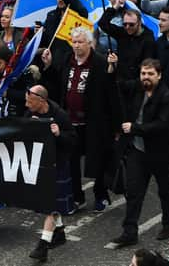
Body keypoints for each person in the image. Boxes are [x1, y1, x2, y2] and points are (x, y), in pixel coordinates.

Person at [41, 27, 118, 213]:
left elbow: (111, 92)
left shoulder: (100, 62)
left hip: (93, 122)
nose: (76, 46)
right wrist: (49, 65)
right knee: (71, 162)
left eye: (80, 42)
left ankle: (101, 195)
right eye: (74, 42)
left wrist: (112, 68)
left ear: (90, 43)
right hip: (70, 122)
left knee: (97, 160)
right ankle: (77, 197)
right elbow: (56, 83)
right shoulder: (67, 60)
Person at [110, 59, 169, 248]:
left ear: (159, 75)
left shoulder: (167, 97)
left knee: (166, 191)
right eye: (143, 73)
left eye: (150, 74)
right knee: (134, 192)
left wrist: (135, 128)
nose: (145, 77)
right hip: (137, 152)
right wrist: (113, 66)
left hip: (160, 153)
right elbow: (119, 85)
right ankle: (129, 232)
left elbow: (162, 125)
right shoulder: (138, 87)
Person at [24, 85, 77, 262]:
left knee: (51, 205)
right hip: (40, 164)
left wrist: (59, 134)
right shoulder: (29, 114)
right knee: (50, 203)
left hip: (57, 165)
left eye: (29, 101)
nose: (26, 104)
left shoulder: (60, 115)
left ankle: (43, 245)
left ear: (41, 100)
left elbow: (73, 139)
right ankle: (59, 232)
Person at [98, 7, 156, 91]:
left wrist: (131, 85)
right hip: (120, 81)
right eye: (125, 24)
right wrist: (114, 8)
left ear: (139, 23)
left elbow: (147, 66)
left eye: (131, 24)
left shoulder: (148, 40)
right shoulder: (123, 33)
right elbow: (103, 24)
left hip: (136, 86)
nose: (127, 27)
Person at [156, 7, 169, 95]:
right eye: (159, 19)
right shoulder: (158, 42)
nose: (159, 23)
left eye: (163, 20)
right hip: (161, 95)